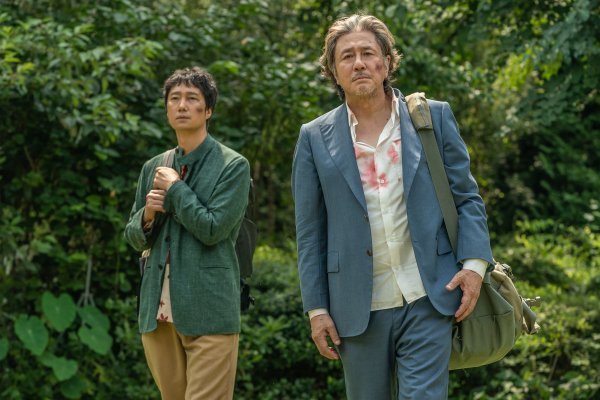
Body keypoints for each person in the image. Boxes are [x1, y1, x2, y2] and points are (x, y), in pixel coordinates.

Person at [292, 14, 494, 399]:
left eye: (368, 53)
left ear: (386, 63)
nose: (359, 63)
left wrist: (473, 266)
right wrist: (316, 309)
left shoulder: (432, 118)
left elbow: (466, 197)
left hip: (429, 295)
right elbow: (310, 232)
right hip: (355, 307)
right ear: (333, 71)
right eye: (347, 56)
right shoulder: (313, 138)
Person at [124, 67, 250, 400]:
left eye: (192, 98)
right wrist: (147, 215)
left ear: (208, 110)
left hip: (210, 310)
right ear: (166, 108)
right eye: (174, 98)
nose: (182, 105)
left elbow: (212, 229)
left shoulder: (233, 165)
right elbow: (133, 237)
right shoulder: (153, 166)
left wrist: (176, 189)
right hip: (157, 313)